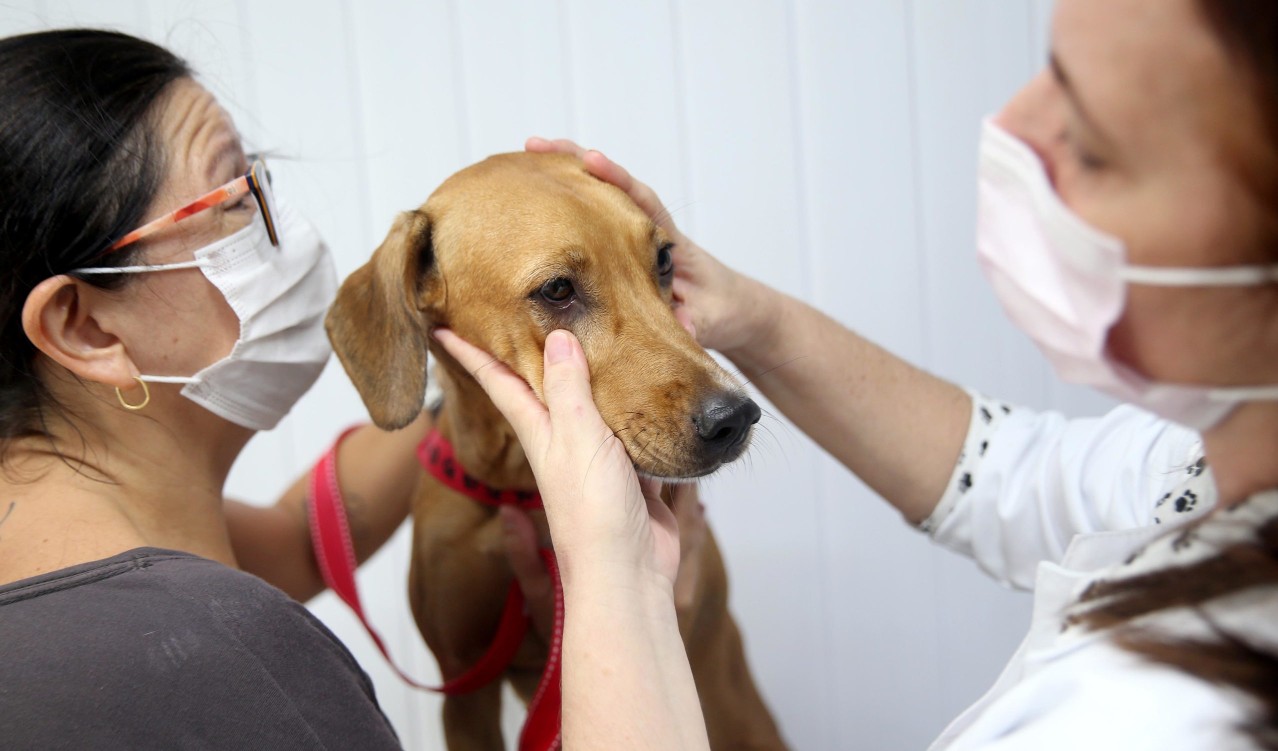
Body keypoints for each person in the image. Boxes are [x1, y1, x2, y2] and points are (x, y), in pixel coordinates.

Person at [439, 0, 1278, 748]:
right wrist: (742, 312)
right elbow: (1011, 472)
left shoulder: (1169, 721)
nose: (1010, 127)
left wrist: (622, 589)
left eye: (1095, 140)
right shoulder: (1203, 476)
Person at [0, 27, 660, 749]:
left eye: (260, 180)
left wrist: (461, 348)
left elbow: (306, 539)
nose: (282, 230)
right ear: (85, 328)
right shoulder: (230, 660)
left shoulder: (95, 562)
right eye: (231, 201)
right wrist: (625, 586)